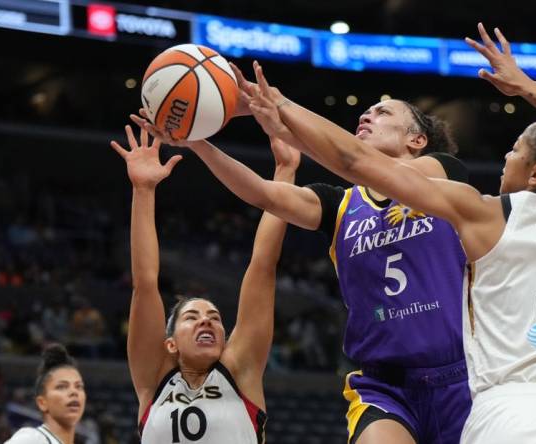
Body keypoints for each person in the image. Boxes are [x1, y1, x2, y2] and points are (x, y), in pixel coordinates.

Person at [242, 23, 536, 444]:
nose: (506, 154)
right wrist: (528, 87)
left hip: (507, 414)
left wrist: (282, 105)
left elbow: (354, 161)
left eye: (516, 150)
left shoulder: (487, 214)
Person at [131, 83, 473, 443]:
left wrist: (283, 110)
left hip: (462, 373)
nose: (367, 115)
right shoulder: (338, 205)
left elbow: (354, 160)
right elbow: (261, 193)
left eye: (383, 112)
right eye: (366, 111)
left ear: (417, 140)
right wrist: (197, 141)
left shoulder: (443, 174)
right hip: (385, 386)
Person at [110, 124, 295, 443]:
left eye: (214, 318)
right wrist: (143, 190)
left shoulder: (240, 370)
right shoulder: (154, 379)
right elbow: (145, 283)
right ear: (170, 344)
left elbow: (263, 264)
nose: (207, 320)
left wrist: (286, 172)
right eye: (191, 318)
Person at [5, 344, 85, 444]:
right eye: (62, 386)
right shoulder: (32, 439)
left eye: (79, 386)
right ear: (42, 402)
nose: (74, 392)